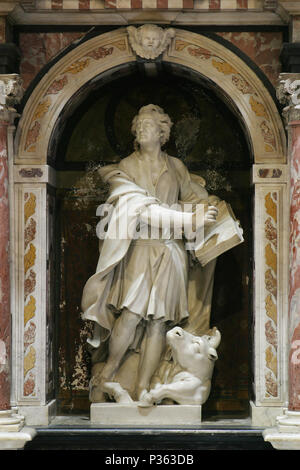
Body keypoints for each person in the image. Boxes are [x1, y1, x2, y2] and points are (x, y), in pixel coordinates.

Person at [81, 104, 218, 403]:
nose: (142, 129)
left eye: (148, 124)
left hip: (170, 252)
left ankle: (143, 388)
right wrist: (186, 217)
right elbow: (137, 209)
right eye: (138, 125)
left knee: (159, 321)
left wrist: (208, 207)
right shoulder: (126, 167)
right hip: (139, 251)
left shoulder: (176, 167)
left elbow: (196, 199)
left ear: (163, 132)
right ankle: (109, 374)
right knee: (130, 315)